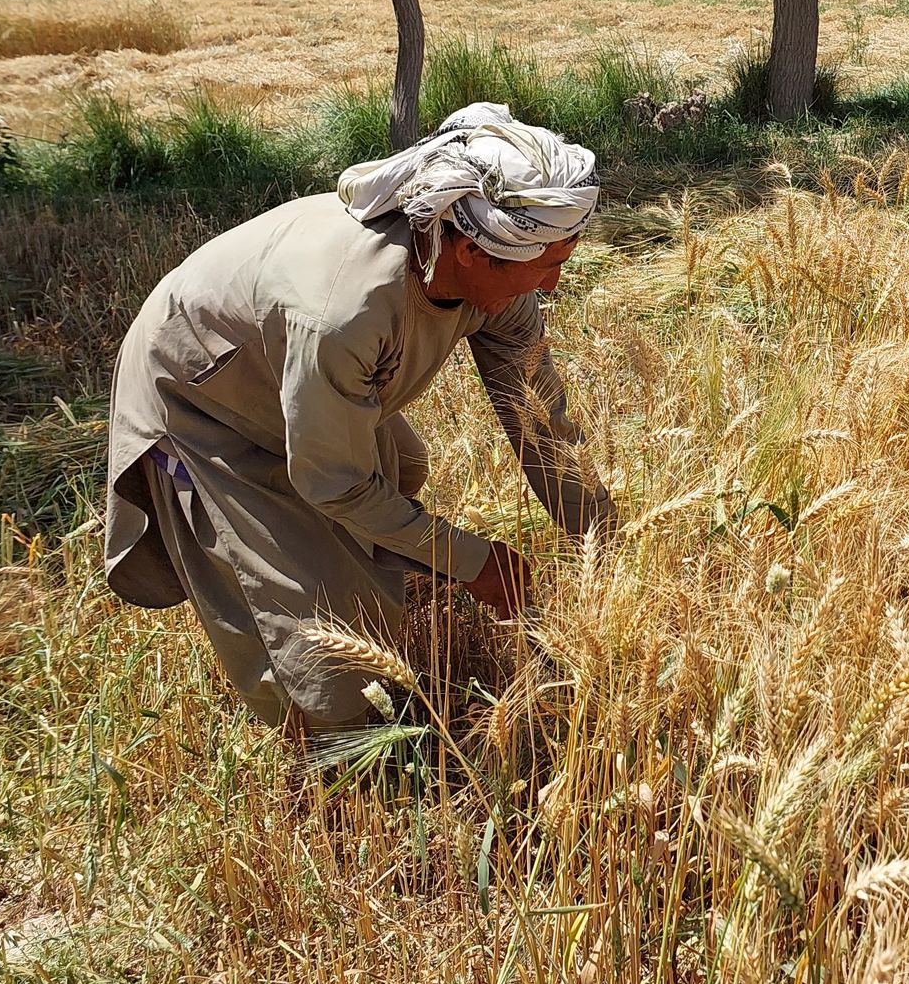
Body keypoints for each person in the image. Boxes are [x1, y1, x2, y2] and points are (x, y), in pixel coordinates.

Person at [104, 105, 615, 730]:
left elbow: (540, 420)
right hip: (201, 395)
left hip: (286, 372)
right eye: (547, 263)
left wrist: (601, 540)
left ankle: (371, 589)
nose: (554, 284)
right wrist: (473, 561)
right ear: (474, 252)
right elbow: (335, 482)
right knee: (321, 647)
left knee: (401, 466)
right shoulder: (344, 313)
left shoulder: (499, 283)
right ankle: (330, 761)